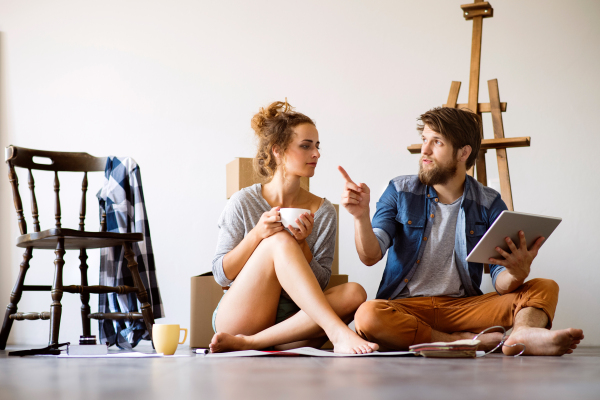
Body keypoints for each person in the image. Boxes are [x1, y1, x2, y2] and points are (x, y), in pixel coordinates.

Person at [339, 107, 584, 355]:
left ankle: (519, 337)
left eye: (437, 142)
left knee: (545, 286)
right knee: (368, 314)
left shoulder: (489, 203)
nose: (424, 149)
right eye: (425, 139)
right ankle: (458, 341)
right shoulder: (399, 190)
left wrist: (516, 274)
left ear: (463, 152)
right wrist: (360, 217)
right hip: (406, 308)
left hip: (464, 308)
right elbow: (370, 256)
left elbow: (501, 283)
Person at [209, 100, 378, 354]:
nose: (316, 154)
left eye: (317, 147)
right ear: (277, 151)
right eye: (306, 146)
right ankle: (338, 333)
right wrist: (257, 235)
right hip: (243, 316)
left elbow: (320, 284)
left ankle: (252, 344)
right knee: (278, 241)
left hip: (292, 326)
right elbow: (221, 275)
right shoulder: (243, 201)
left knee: (355, 292)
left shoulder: (323, 211)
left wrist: (303, 246)